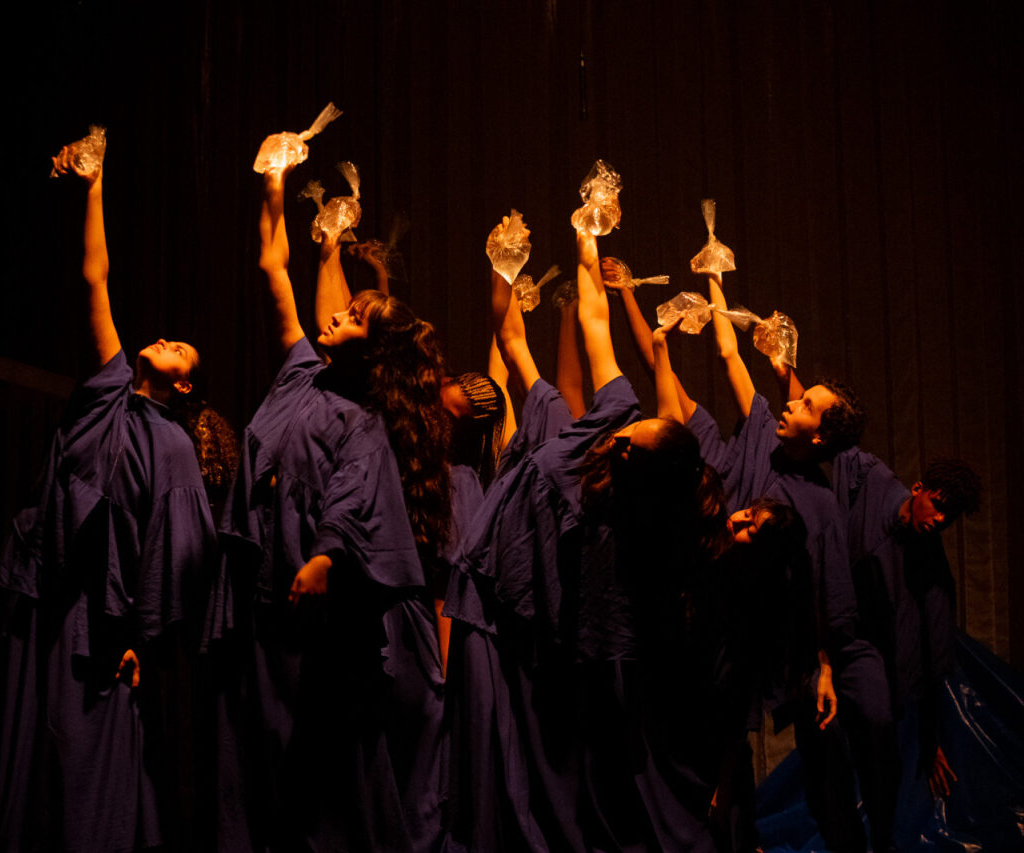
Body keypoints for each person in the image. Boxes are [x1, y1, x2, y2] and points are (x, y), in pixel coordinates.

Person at [444, 209, 725, 851]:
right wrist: (566, 242)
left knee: (548, 781)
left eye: (633, 444)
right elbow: (522, 337)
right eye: (631, 432)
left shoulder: (617, 512)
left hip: (533, 635)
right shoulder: (596, 410)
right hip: (493, 605)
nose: (623, 436)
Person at [213, 148, 448, 853]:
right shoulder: (298, 374)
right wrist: (273, 186)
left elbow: (353, 499)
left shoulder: (362, 421)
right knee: (247, 753)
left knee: (309, 768)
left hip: (308, 607)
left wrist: (322, 556)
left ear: (370, 350)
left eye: (352, 317)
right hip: (255, 591)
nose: (337, 316)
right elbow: (271, 271)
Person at [0, 137, 218, 853]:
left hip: (101, 631)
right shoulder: (109, 393)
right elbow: (97, 281)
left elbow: (178, 557)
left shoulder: (177, 449)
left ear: (184, 384)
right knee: (29, 760)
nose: (167, 340)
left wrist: (138, 641)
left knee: (87, 775)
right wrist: (94, 184)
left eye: (182, 349)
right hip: (46, 597)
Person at [685, 272, 897, 853]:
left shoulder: (821, 502)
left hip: (796, 642)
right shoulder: (760, 431)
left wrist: (824, 665)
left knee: (838, 753)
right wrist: (714, 278)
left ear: (822, 437)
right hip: (741, 626)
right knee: (728, 749)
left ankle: (868, 839)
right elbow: (729, 351)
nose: (792, 401)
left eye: (805, 405)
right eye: (799, 397)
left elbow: (823, 590)